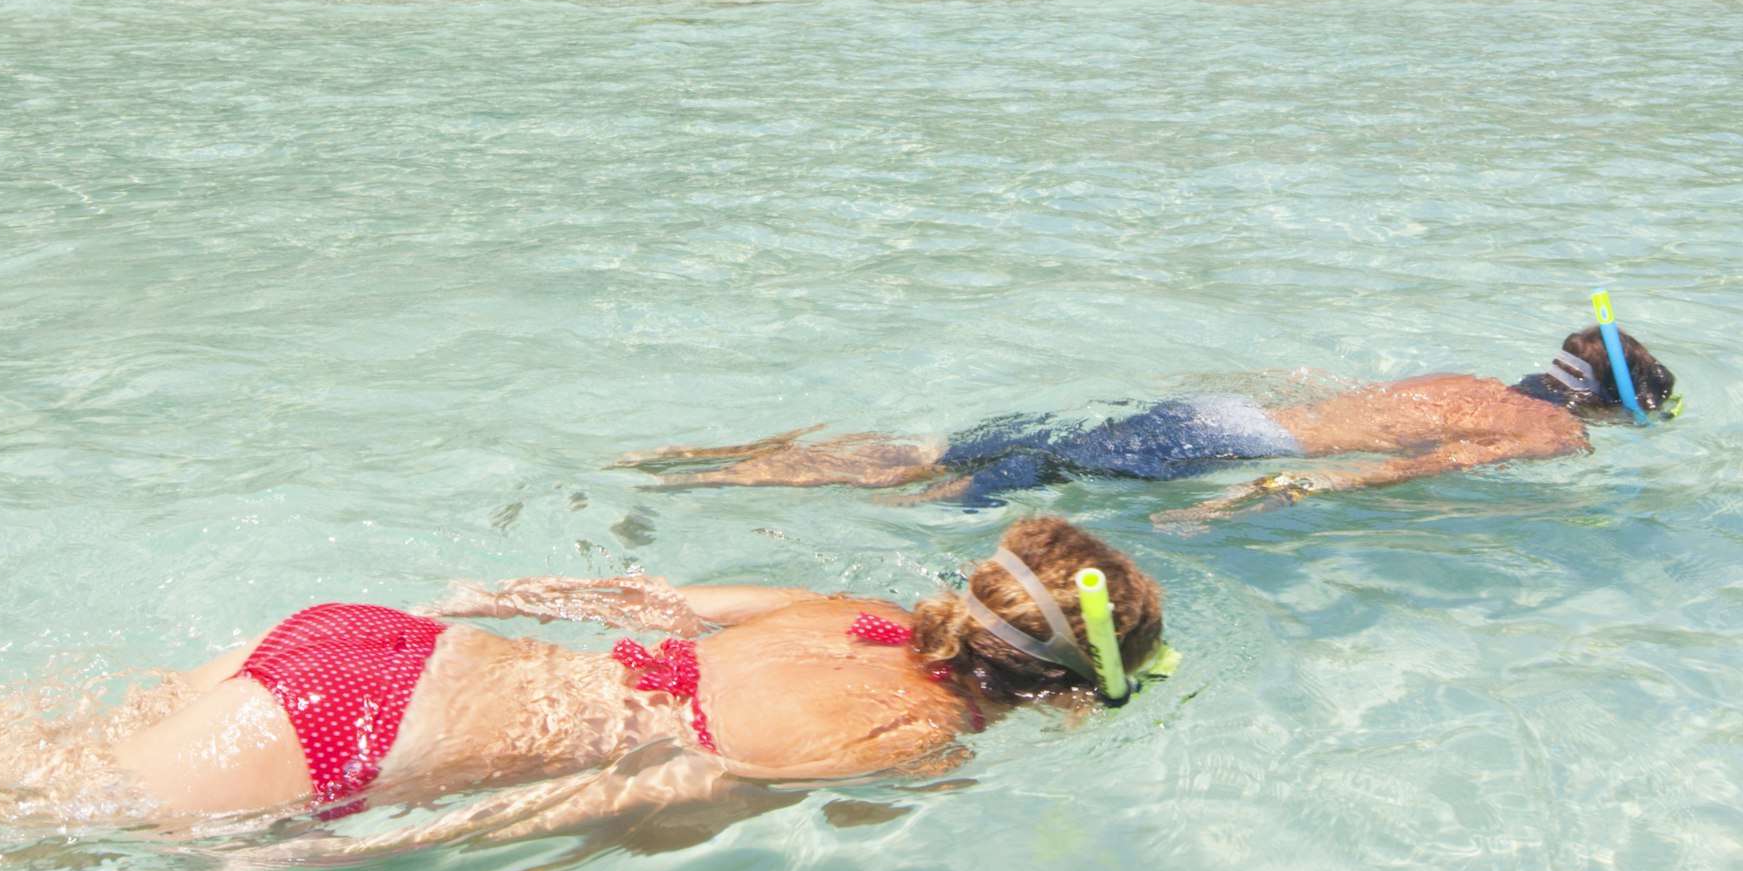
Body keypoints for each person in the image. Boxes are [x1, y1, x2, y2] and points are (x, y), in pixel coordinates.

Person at [0, 515, 1169, 854]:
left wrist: (495, 591)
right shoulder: (915, 740)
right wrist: (379, 864)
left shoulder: (853, 613)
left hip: (379, 650)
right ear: (1059, 696)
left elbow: (638, 589)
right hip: (388, 744)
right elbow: (629, 798)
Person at [633, 319, 1677, 520]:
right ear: (1614, 411)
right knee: (964, 488)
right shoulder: (1554, 436)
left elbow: (1365, 411)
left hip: (1218, 410)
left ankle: (717, 461)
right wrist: (1268, 498)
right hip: (1231, 445)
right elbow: (1405, 472)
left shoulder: (1466, 373)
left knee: (958, 450)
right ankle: (721, 488)